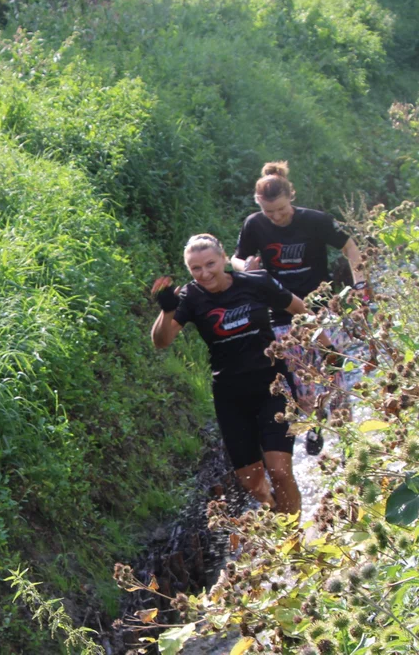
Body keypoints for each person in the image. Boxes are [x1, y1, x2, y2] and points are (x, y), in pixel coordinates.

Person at [151, 234, 308, 514]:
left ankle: (295, 544)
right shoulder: (190, 297)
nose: (205, 273)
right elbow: (161, 341)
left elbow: (300, 310)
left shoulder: (256, 282)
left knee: (280, 471)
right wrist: (167, 310)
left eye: (210, 264)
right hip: (231, 395)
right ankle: (278, 513)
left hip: (273, 386)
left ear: (224, 258)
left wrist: (303, 354)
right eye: (196, 269)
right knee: (253, 484)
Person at [230, 162, 366, 454]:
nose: (277, 217)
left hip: (320, 306)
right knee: (302, 378)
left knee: (333, 369)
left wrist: (360, 283)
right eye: (270, 212)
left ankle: (351, 444)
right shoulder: (254, 224)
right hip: (282, 311)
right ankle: (316, 425)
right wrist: (246, 267)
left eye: (281, 210)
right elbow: (237, 259)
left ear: (291, 195)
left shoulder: (315, 221)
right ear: (259, 206)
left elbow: (350, 246)